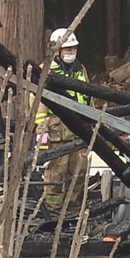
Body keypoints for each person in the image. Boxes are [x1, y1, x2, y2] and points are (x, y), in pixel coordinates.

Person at [35, 28, 92, 211]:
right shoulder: (45, 70)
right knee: (57, 172)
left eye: (74, 49)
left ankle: (73, 206)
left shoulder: (80, 69)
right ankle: (54, 208)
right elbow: (37, 102)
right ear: (57, 51)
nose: (71, 53)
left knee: (79, 170)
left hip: (79, 131)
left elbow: (89, 96)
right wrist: (40, 129)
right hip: (56, 131)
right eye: (68, 49)